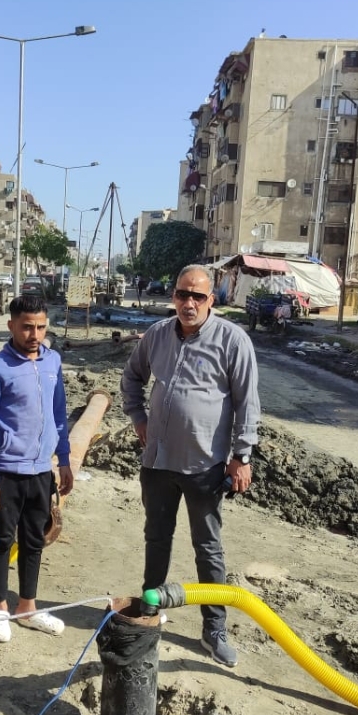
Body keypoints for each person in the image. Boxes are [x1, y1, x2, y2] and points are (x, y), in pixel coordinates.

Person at [120, 264, 260, 668]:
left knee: (208, 549)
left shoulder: (233, 341)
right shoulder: (157, 336)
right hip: (159, 464)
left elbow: (247, 403)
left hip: (206, 467)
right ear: (173, 296)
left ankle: (213, 629)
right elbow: (132, 378)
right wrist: (138, 418)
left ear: (211, 300)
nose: (189, 303)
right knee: (156, 539)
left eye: (198, 296)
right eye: (183, 294)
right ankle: (149, 611)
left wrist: (241, 456)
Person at [0, 295, 74, 643]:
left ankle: (26, 607)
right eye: (27, 326)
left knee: (34, 542)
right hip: (6, 473)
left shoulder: (53, 362)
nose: (34, 334)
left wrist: (64, 461)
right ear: (11, 325)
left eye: (41, 326)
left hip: (41, 472)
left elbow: (59, 414)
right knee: (1, 540)